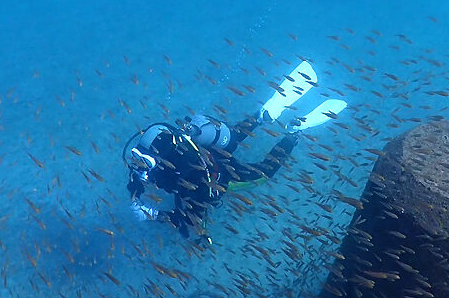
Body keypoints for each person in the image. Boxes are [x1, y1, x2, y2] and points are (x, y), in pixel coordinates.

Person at [123, 61, 346, 243]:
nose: (141, 164)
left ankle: (293, 133)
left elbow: (188, 218)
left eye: (146, 160)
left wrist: (154, 215)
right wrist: (136, 190)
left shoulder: (189, 180)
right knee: (234, 136)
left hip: (220, 176)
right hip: (210, 150)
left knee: (263, 174)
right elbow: (139, 172)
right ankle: (262, 116)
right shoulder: (175, 148)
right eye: (140, 157)